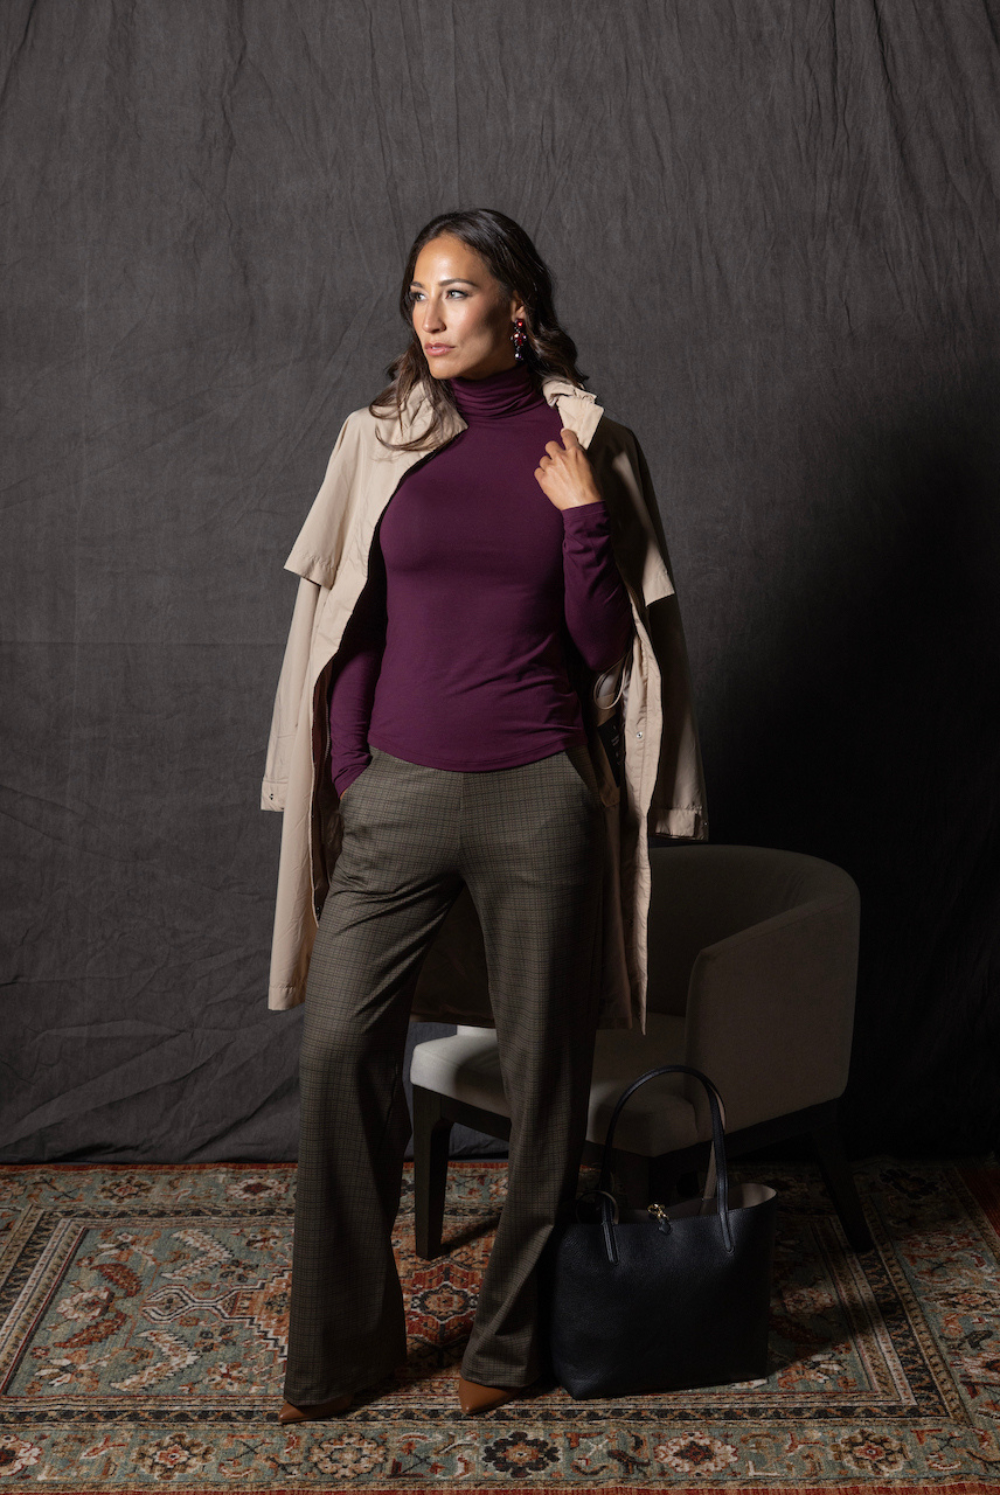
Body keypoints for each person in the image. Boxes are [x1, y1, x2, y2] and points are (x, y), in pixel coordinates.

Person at [261, 208, 708, 1423]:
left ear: (518, 307)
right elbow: (352, 624)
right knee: (339, 1047)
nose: (432, 317)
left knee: (546, 1075)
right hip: (398, 789)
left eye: (457, 294)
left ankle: (510, 1343)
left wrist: (577, 518)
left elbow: (604, 652)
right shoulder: (378, 438)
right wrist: (355, 768)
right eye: (417, 294)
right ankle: (342, 1351)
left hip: (539, 798)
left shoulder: (590, 443)